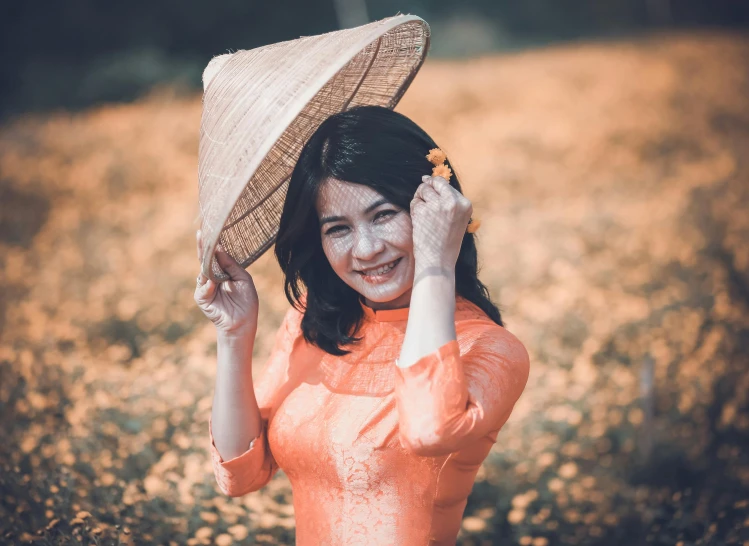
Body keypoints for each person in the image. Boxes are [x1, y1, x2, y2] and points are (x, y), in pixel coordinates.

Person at [194, 105, 530, 545]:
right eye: (337, 229)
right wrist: (234, 336)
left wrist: (435, 264)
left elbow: (430, 430)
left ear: (434, 208)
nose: (367, 249)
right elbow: (240, 474)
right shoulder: (314, 321)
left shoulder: (490, 348)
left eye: (383, 215)